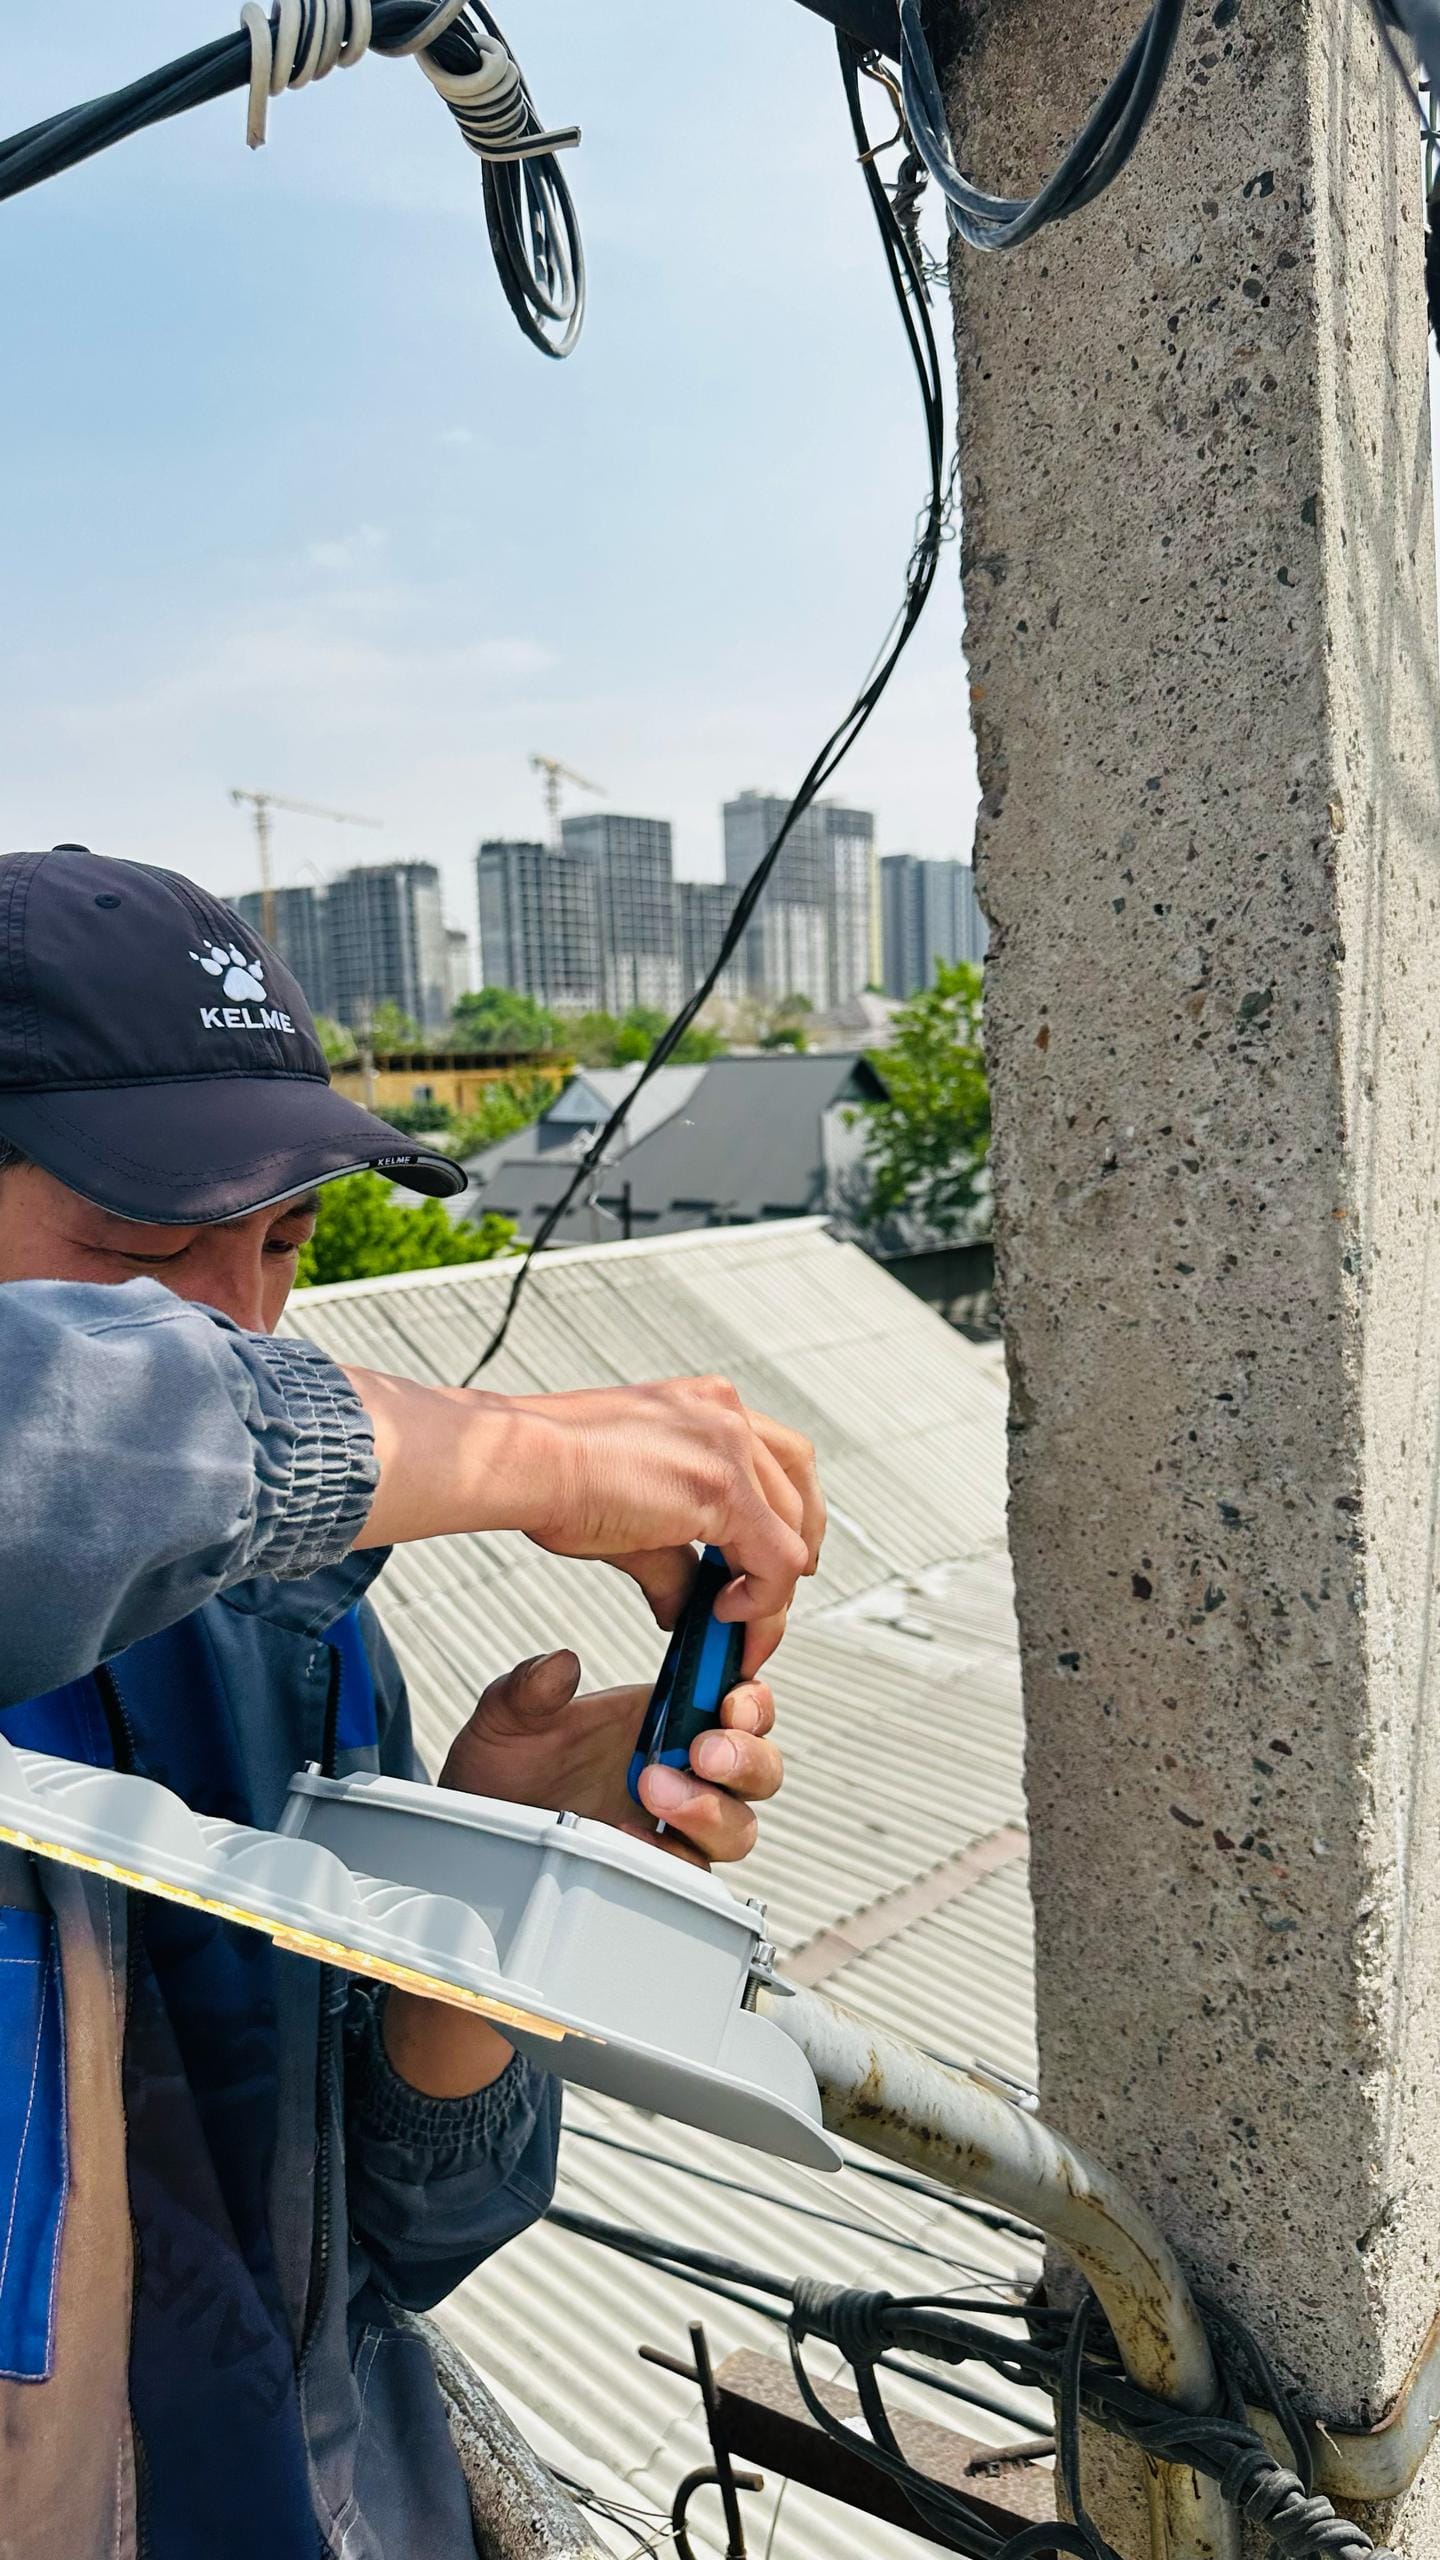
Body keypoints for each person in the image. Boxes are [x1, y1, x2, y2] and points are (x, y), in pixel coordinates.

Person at [0, 844, 823, 2560]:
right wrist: (526, 1452)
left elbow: (395, 2241)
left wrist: (490, 1895)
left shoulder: (280, 1627)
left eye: (286, 1239)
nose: (241, 1321)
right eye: (142, 1243)